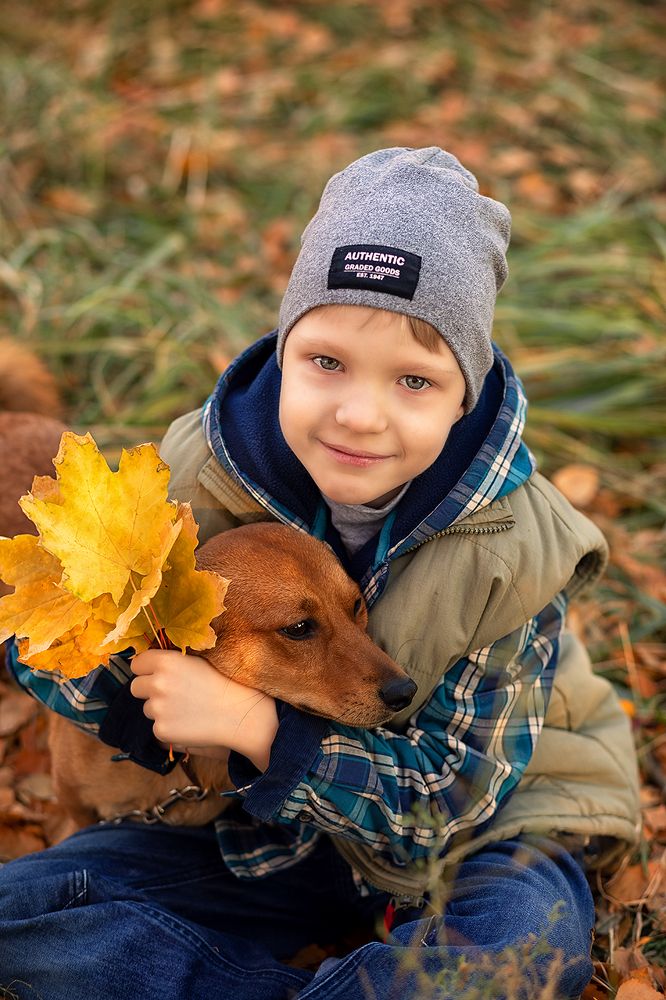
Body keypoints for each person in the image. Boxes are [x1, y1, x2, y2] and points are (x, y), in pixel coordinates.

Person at [0, 147, 639, 999]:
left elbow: (440, 808)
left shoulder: (512, 550)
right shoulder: (187, 482)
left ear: (464, 395)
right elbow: (50, 645)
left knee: (518, 950)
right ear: (283, 348)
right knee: (20, 913)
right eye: (327, 362)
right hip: (263, 838)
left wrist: (258, 726)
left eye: (414, 379)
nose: (360, 413)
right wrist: (151, 695)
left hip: (481, 839)